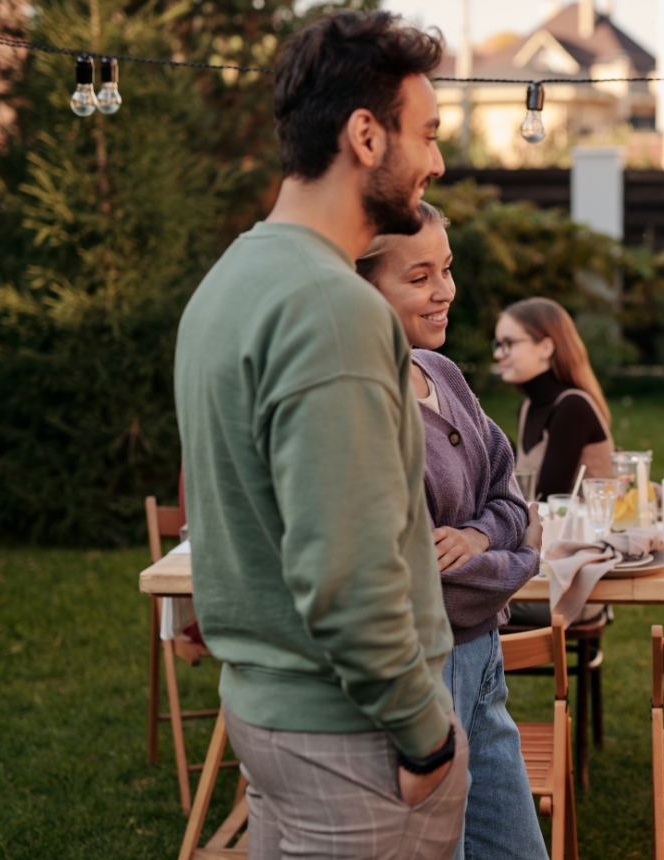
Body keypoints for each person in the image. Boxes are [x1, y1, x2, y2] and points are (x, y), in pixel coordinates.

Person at [174, 12, 468, 859]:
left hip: (271, 715)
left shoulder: (233, 279)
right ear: (366, 136)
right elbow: (345, 571)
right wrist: (427, 737)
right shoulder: (332, 309)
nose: (438, 161)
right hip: (354, 741)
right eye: (428, 133)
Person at [357, 201, 551, 860]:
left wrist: (481, 538)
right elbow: (426, 579)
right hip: (426, 673)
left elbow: (511, 498)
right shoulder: (361, 404)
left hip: (484, 665)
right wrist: (517, 561)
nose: (445, 291)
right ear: (362, 289)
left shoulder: (441, 373)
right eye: (418, 278)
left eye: (446, 269)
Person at [494, 298, 614, 499]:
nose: (498, 354)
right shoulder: (527, 408)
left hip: (588, 529)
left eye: (508, 343)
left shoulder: (572, 407)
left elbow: (547, 498)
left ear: (546, 348)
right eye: (497, 344)